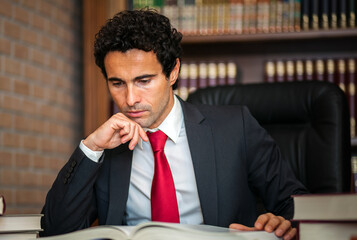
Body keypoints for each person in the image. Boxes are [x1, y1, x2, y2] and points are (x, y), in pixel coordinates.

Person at [40, 9, 307, 239]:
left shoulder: (236, 128)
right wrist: (91, 147)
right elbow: (57, 230)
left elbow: (294, 205)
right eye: (117, 83)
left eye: (144, 81)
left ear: (173, 72)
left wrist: (282, 223)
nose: (130, 99)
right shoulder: (107, 147)